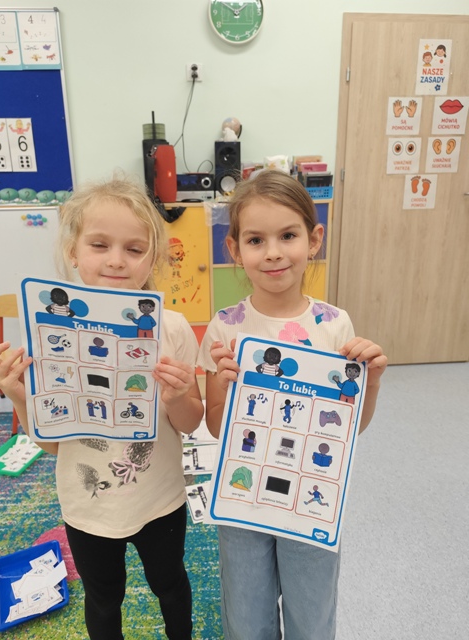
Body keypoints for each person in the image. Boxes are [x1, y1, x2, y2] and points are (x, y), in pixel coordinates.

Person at [0, 176, 204, 640]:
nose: (116, 260)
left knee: (170, 584)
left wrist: (177, 396)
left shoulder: (173, 329)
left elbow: (190, 422)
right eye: (100, 244)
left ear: (153, 257)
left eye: (134, 248)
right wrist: (21, 396)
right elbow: (52, 445)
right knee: (104, 598)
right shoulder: (50, 335)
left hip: (160, 498)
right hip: (88, 506)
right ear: (73, 251)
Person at [197, 169, 388, 640]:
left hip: (312, 498)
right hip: (243, 496)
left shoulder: (334, 325)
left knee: (312, 613)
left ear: (314, 239)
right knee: (246, 615)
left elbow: (350, 428)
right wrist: (222, 386)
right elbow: (217, 426)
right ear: (235, 249)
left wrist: (372, 381)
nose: (273, 252)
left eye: (288, 235)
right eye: (255, 240)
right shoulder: (225, 326)